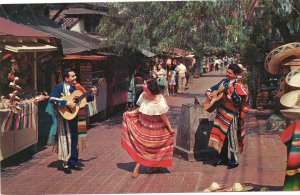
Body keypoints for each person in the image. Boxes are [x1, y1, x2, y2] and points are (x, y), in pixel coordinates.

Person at [121, 78, 175, 178]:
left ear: (150, 88)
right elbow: (140, 108)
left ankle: (153, 166)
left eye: (145, 84)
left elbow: (163, 116)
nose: (142, 85)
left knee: (155, 147)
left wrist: (170, 128)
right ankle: (138, 167)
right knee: (143, 146)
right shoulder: (143, 95)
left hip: (157, 127)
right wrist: (130, 113)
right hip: (144, 124)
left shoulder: (159, 98)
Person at [48, 68, 97, 174]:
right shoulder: (60, 87)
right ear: (66, 78)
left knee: (75, 139)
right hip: (65, 118)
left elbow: (82, 99)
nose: (75, 77)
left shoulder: (75, 87)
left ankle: (73, 162)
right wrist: (66, 103)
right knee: (66, 139)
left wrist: (91, 94)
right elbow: (51, 99)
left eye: (75, 75)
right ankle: (65, 164)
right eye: (73, 76)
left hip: (75, 117)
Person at [206, 63, 249, 169]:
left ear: (236, 74)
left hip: (231, 114)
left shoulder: (238, 85)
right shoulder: (224, 82)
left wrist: (232, 92)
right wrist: (209, 92)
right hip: (221, 113)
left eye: (229, 73)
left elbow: (239, 101)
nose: (227, 74)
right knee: (222, 136)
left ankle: (234, 160)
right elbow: (212, 88)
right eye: (227, 72)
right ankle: (223, 157)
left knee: (231, 137)